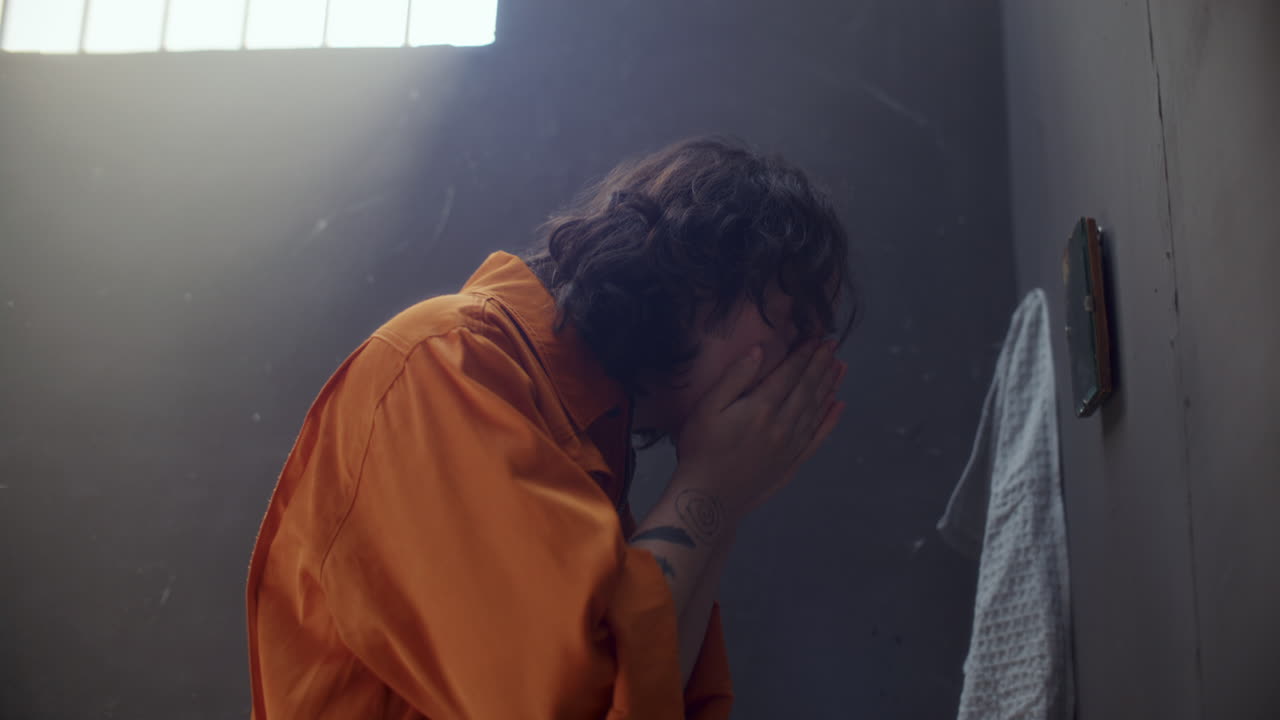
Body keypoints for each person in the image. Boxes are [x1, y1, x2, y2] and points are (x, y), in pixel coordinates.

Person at [245, 136, 856, 719]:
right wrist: (712, 486)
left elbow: (653, 691)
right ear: (700, 278)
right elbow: (569, 703)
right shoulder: (447, 361)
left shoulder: (582, 438)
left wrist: (726, 492)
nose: (804, 356)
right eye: (794, 318)